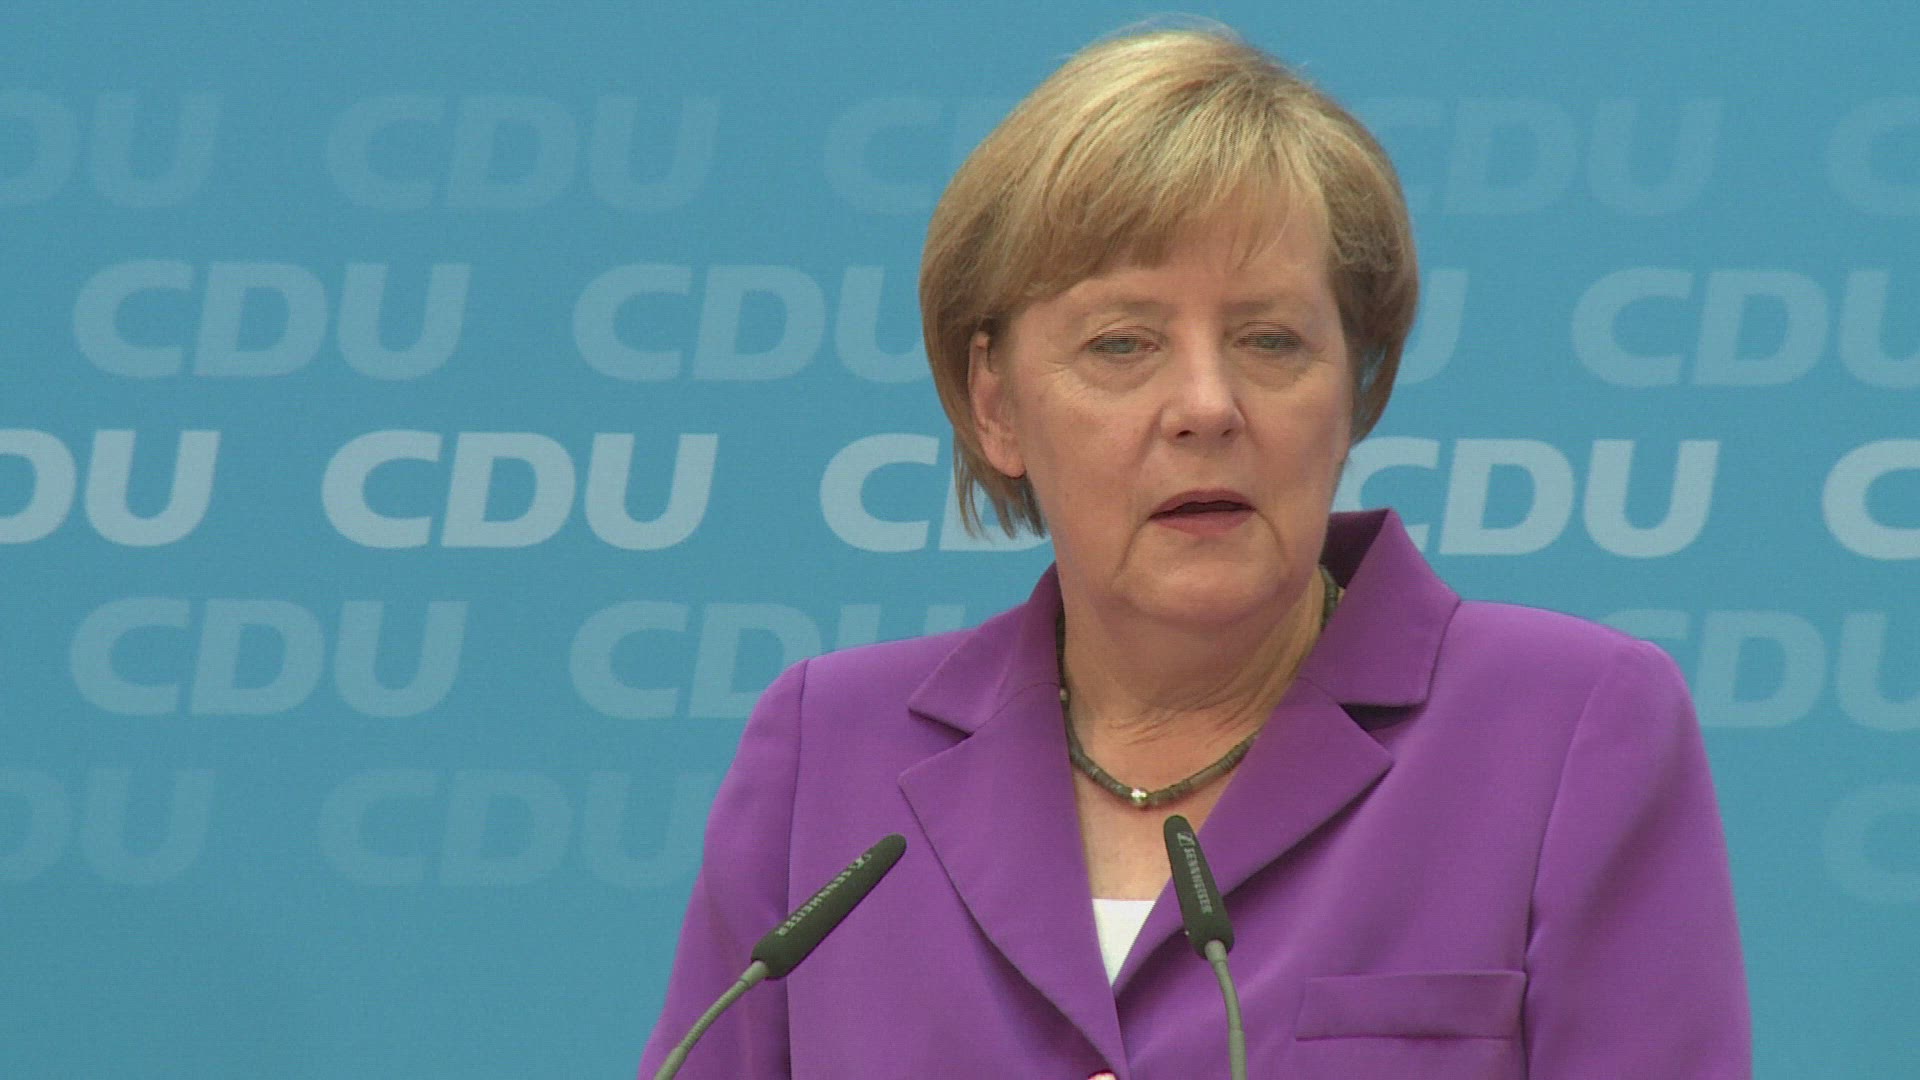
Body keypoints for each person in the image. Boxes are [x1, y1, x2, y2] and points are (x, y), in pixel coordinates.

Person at [639, 24, 1750, 1079]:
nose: (1207, 406)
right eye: (1123, 344)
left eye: (1271, 340)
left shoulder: (1562, 729)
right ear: (996, 403)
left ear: (1354, 390)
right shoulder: (830, 751)